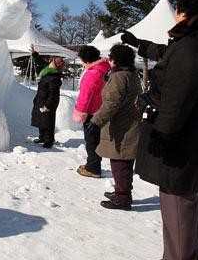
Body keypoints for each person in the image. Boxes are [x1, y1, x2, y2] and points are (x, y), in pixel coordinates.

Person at [121, 0, 198, 260]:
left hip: (186, 135)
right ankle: (192, 255)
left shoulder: (192, 46)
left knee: (177, 195)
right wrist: (140, 45)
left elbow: (178, 93)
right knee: (194, 193)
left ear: (189, 12)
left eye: (180, 10)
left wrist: (164, 132)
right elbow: (168, 53)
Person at [85, 44, 141, 210]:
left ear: (117, 59)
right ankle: (121, 191)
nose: (109, 60)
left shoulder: (119, 77)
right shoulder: (130, 74)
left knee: (120, 162)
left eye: (111, 57)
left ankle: (122, 197)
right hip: (127, 122)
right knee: (121, 161)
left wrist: (96, 121)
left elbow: (111, 103)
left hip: (122, 126)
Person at [73, 45, 111, 178]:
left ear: (87, 60)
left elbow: (85, 96)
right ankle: (93, 164)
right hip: (103, 111)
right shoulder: (106, 69)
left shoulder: (92, 73)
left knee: (91, 141)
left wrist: (80, 112)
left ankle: (93, 167)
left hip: (92, 112)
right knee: (96, 140)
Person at [30, 47, 66, 148]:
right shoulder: (47, 69)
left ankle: (49, 140)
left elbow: (53, 94)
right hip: (41, 99)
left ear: (55, 65)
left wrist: (47, 105)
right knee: (41, 119)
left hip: (48, 102)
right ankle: (42, 137)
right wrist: (35, 54)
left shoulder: (54, 77)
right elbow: (41, 62)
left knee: (48, 121)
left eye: (53, 61)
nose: (51, 61)